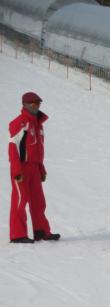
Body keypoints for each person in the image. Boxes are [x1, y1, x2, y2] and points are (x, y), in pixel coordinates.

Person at [8, 91, 59, 243]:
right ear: (25, 104)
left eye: (38, 103)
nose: (36, 106)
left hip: (35, 168)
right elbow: (13, 149)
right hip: (21, 167)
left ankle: (41, 231)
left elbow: (38, 150)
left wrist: (41, 168)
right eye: (33, 103)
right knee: (20, 200)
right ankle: (18, 235)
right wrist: (17, 170)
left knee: (38, 201)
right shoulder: (19, 123)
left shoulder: (38, 125)